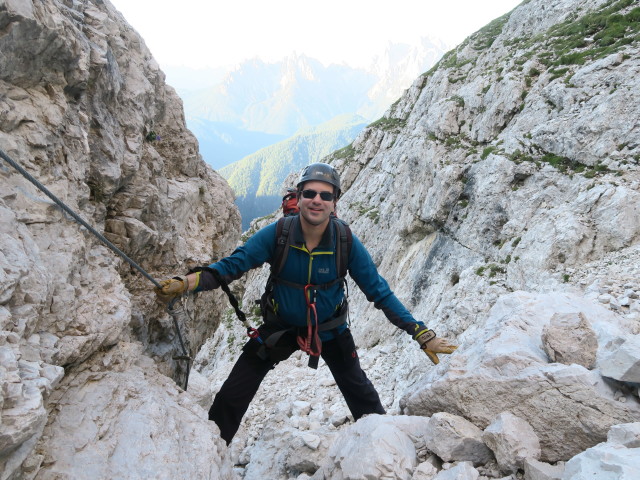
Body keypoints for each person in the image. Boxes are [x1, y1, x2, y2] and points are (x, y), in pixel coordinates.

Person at [155, 162, 457, 444]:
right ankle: (211, 451)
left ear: (334, 202)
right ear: (298, 198)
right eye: (309, 193)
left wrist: (421, 333)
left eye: (325, 195)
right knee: (232, 396)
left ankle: (381, 450)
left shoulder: (345, 242)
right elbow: (232, 266)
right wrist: (187, 283)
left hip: (331, 330)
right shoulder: (279, 234)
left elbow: (379, 292)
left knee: (362, 396)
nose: (317, 200)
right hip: (280, 328)